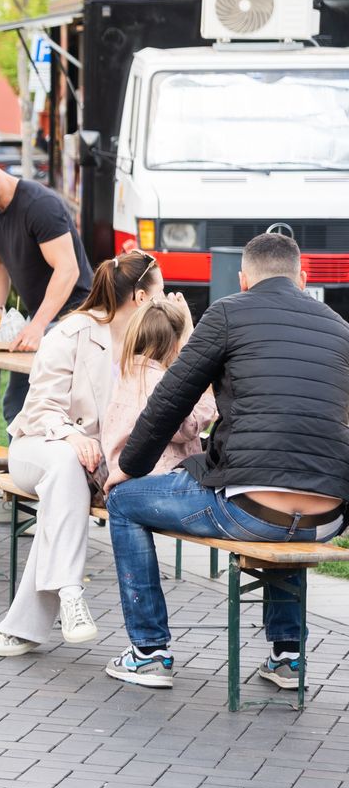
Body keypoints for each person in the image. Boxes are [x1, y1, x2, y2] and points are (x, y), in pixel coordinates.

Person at [103, 233, 349, 692]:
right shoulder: (339, 327)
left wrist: (129, 467)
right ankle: (288, 658)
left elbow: (170, 399)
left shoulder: (228, 314)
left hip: (247, 507)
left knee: (122, 503)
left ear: (242, 280)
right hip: (327, 516)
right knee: (287, 494)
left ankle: (149, 653)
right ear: (304, 277)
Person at [0, 252, 183, 659]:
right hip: (39, 446)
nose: (167, 297)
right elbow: (38, 408)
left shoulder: (150, 340)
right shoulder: (71, 333)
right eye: (160, 289)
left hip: (90, 468)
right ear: (141, 297)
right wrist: (71, 436)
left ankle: (18, 629)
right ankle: (70, 590)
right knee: (66, 465)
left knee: (65, 491)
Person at [0, 146, 91, 420]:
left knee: (48, 406)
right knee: (16, 406)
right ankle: (21, 462)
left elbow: (68, 270)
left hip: (75, 315)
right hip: (40, 315)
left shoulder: (40, 205)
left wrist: (37, 326)